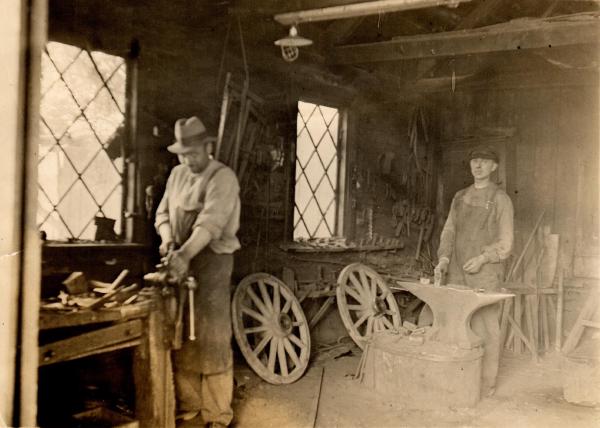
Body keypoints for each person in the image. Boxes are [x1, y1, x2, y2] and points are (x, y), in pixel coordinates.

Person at [155, 116, 241, 428]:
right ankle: (189, 404)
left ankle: (217, 414)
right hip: (181, 260)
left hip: (213, 265)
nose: (186, 160)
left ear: (207, 147)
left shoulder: (223, 178)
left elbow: (210, 224)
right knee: (182, 334)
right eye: (182, 154)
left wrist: (185, 255)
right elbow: (162, 213)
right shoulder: (177, 174)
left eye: (192, 154)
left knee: (214, 336)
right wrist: (168, 241)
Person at [431, 146, 514, 396]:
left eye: (484, 162)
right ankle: (457, 382)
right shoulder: (460, 197)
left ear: (494, 167)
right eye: (474, 161)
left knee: (486, 327)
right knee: (456, 325)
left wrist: (483, 258)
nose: (477, 166)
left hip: (485, 272)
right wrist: (444, 258)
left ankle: (486, 385)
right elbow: (449, 231)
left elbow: (506, 243)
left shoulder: (500, 199)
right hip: (456, 270)